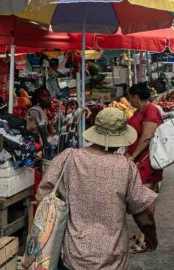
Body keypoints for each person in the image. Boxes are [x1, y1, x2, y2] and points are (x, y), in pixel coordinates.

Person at [37, 108, 158, 269]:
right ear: (122, 137)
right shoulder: (125, 167)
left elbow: (42, 197)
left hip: (72, 255)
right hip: (112, 259)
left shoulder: (69, 157)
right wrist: (151, 238)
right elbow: (143, 214)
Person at [126, 82, 163, 190]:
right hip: (139, 157)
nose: (129, 101)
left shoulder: (150, 110)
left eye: (129, 98)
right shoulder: (139, 111)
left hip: (147, 157)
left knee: (144, 193)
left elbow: (147, 136)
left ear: (136, 97)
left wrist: (133, 156)